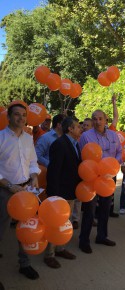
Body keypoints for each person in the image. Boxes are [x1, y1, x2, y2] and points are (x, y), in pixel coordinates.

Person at [0, 103, 40, 280]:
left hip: (25, 191)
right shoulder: (1, 137)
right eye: (17, 114)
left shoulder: (27, 138)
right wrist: (9, 186)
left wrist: (34, 176)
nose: (21, 118)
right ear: (8, 117)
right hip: (5, 191)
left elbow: (32, 161)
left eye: (24, 115)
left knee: (25, 229)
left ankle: (24, 264)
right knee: (0, 230)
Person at [79, 110, 122, 253]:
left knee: (105, 208)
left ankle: (102, 236)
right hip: (92, 177)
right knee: (89, 210)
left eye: (100, 119)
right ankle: (83, 240)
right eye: (95, 119)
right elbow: (82, 156)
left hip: (109, 177)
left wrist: (114, 165)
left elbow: (120, 152)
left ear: (106, 120)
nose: (98, 122)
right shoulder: (86, 136)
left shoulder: (113, 135)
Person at [43, 117, 82, 269]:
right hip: (60, 194)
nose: (80, 129)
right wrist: (54, 196)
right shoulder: (59, 144)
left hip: (71, 192)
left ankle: (60, 249)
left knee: (65, 223)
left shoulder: (75, 144)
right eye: (78, 126)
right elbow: (53, 172)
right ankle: (49, 255)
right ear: (70, 129)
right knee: (55, 224)